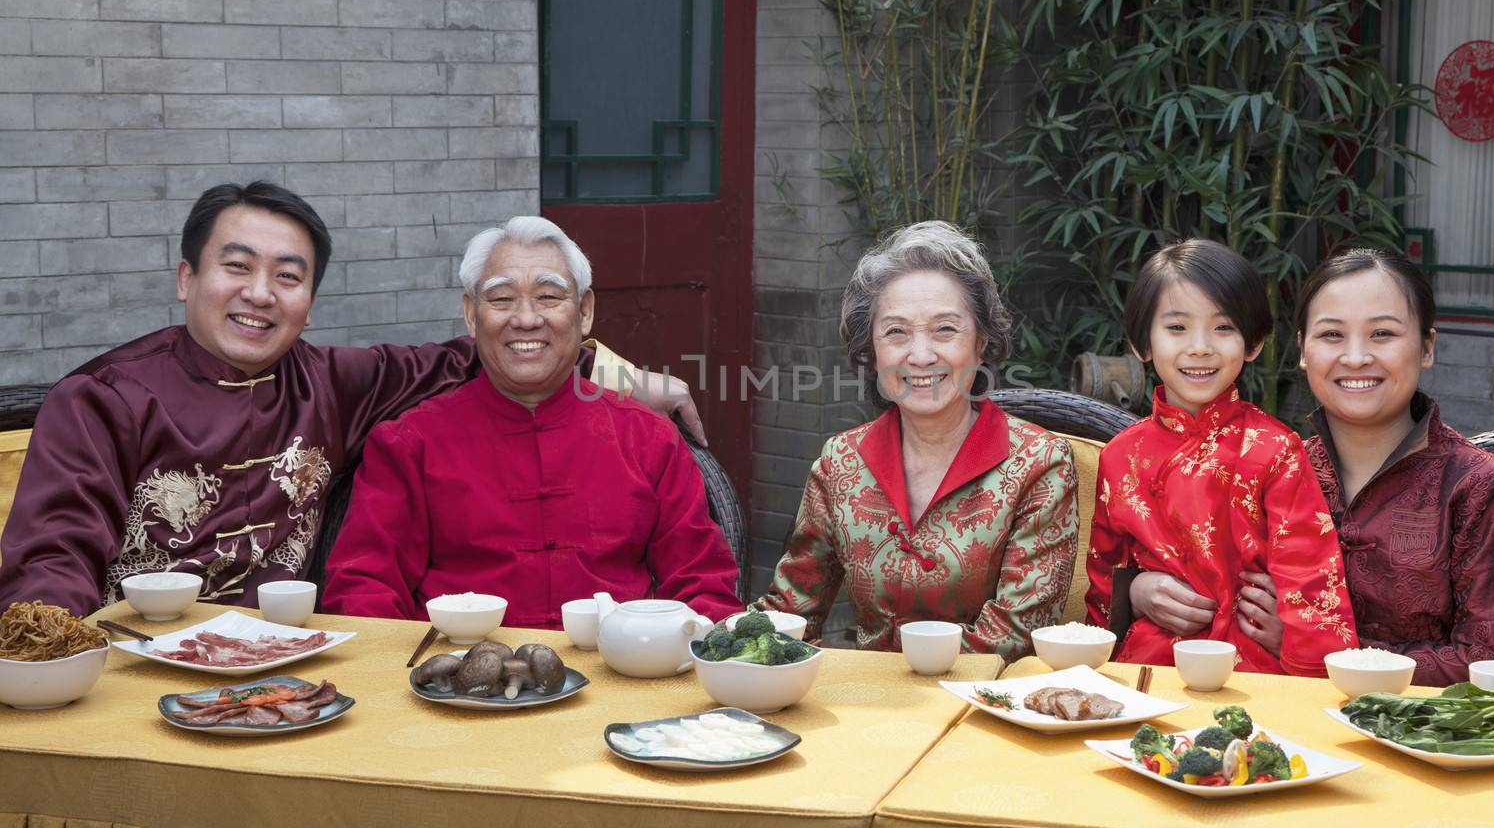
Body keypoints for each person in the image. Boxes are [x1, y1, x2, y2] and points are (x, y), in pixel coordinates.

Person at [0, 183, 701, 616]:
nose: (260, 293)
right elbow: (52, 557)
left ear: (309, 301)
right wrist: (46, 651)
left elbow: (493, 350)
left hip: (286, 665)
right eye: (237, 267)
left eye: (288, 276)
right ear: (187, 277)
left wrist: (623, 378)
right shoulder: (100, 399)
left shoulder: (333, 384)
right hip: (134, 672)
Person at [319, 217, 742, 627]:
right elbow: (363, 592)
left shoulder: (648, 438)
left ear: (585, 311)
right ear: (471, 314)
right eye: (501, 299)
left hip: (618, 678)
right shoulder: (409, 443)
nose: (526, 319)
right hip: (455, 686)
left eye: (548, 297)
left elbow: (703, 584)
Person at [1172, 248, 1494, 686]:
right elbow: (1195, 574)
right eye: (1331, 335)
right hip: (1286, 725)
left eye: (1382, 333)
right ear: (1303, 350)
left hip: (1436, 738)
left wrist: (1318, 647)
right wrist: (1141, 591)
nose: (1355, 357)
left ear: (1426, 347)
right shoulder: (1264, 469)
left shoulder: (1482, 487)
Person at [751, 222, 1078, 662]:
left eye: (945, 329)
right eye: (896, 332)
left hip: (985, 708)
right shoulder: (841, 461)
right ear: (871, 351)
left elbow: (1016, 635)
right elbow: (792, 609)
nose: (920, 355)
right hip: (869, 709)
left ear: (982, 343)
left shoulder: (1038, 462)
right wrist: (723, 644)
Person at [1083, 238, 1357, 676]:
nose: (1200, 347)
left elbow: (1311, 579)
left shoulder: (1274, 448)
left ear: (1253, 343)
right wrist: (1131, 594)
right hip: (1149, 668)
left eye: (1223, 327)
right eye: (1176, 328)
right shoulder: (1120, 455)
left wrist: (1308, 661)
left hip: (1250, 668)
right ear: (1142, 343)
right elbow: (1103, 574)